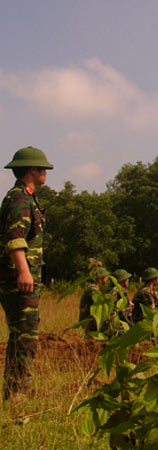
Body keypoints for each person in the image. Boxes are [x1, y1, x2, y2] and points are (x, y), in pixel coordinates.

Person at [0, 146, 53, 400]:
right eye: (43, 168)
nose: (45, 173)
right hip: (18, 279)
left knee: (22, 334)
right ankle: (18, 394)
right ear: (32, 169)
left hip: (24, 279)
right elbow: (15, 237)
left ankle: (15, 391)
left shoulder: (26, 197)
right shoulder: (20, 198)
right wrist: (23, 271)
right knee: (25, 336)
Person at [78, 267, 111, 334]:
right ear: (102, 278)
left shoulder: (98, 288)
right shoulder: (93, 288)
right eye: (106, 277)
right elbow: (99, 300)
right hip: (88, 320)